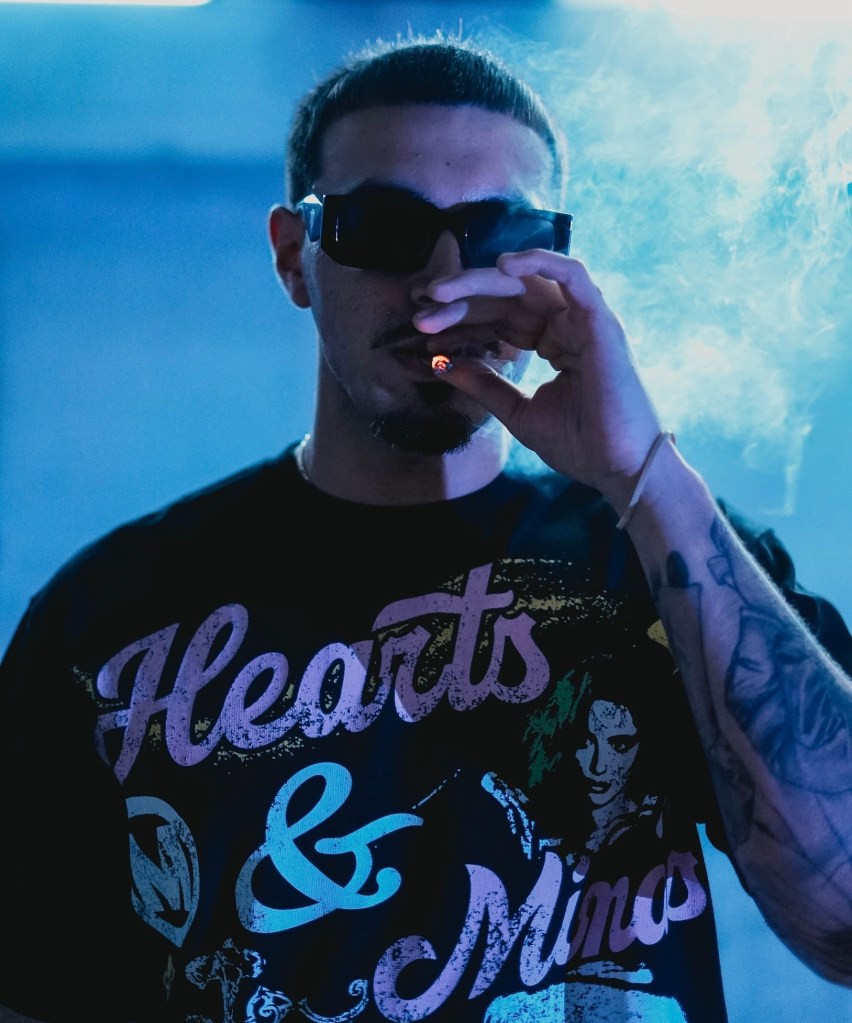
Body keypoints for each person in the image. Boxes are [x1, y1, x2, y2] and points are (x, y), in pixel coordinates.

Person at [0, 32, 850, 1023]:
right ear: (294, 255)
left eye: (498, 236)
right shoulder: (106, 615)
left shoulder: (664, 552)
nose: (443, 285)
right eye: (384, 227)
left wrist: (642, 471)